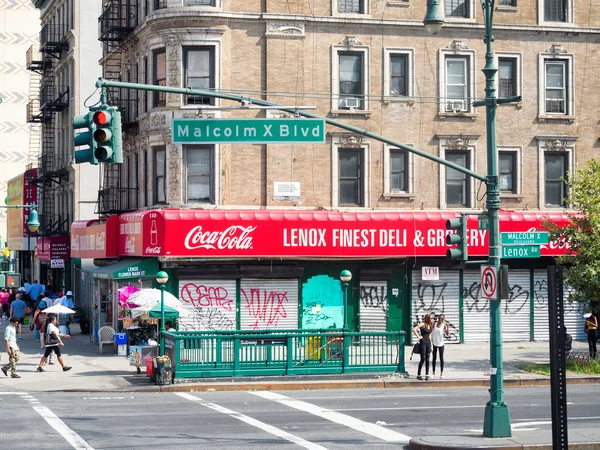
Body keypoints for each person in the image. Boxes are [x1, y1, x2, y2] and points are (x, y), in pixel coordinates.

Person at [413, 313, 434, 380]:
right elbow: (414, 329)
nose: (432, 319)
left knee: (428, 359)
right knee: (422, 359)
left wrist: (431, 345)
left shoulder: (430, 325)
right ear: (428, 318)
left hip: (428, 342)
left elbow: (430, 335)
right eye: (431, 318)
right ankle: (418, 374)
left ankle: (427, 374)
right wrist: (419, 337)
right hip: (423, 343)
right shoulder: (423, 324)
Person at [432, 313, 449, 379]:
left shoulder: (444, 325)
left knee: (441, 358)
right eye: (439, 318)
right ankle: (433, 373)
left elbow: (447, 334)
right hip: (434, 343)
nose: (440, 320)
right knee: (434, 358)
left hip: (441, 343)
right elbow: (431, 331)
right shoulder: (435, 324)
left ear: (443, 319)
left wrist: (447, 328)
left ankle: (441, 373)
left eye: (441, 319)